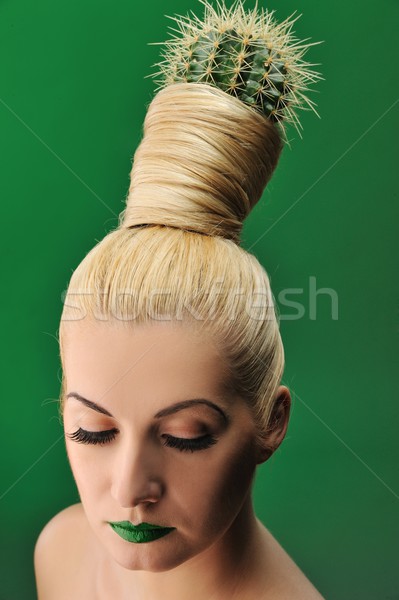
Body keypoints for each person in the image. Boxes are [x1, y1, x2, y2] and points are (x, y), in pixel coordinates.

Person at [34, 2, 324, 598]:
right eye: (91, 431)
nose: (129, 490)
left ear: (272, 422)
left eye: (186, 436)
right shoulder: (57, 550)